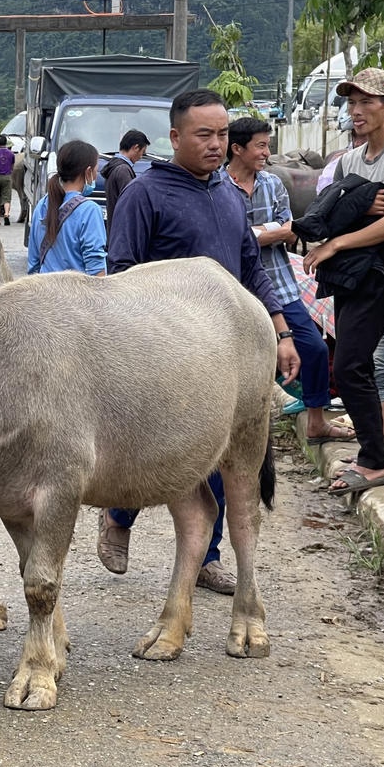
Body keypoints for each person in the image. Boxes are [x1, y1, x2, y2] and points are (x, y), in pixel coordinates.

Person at [100, 88, 301, 595]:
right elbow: (121, 272)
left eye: (221, 135)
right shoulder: (145, 194)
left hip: (227, 353)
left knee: (218, 454)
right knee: (152, 451)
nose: (216, 145)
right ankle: (119, 512)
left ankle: (206, 557)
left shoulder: (232, 195)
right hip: (166, 350)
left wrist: (281, 331)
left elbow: (253, 273)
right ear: (175, 137)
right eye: (203, 134)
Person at [304, 68, 384, 495]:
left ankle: (376, 460)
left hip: (380, 274)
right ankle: (374, 452)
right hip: (351, 275)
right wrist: (361, 204)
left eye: (367, 101)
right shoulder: (351, 159)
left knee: (352, 364)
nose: (357, 110)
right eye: (352, 102)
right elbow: (327, 214)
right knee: (352, 364)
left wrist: (334, 243)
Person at [222, 117, 350, 449]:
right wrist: (267, 232)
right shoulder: (217, 187)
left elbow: (292, 228)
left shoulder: (272, 184)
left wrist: (253, 235)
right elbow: (228, 239)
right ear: (237, 149)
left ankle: (317, 420)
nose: (267, 152)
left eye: (268, 145)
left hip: (279, 283)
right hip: (235, 289)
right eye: (261, 145)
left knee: (315, 347)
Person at [26, 140, 105, 275]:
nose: (96, 177)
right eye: (96, 171)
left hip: (44, 292)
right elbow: (96, 268)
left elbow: (34, 263)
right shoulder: (90, 210)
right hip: (76, 294)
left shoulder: (42, 205)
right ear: (88, 172)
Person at [102, 129, 149, 234]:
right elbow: (131, 204)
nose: (141, 157)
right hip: (122, 232)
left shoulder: (114, 166)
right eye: (142, 152)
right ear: (136, 148)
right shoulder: (123, 170)